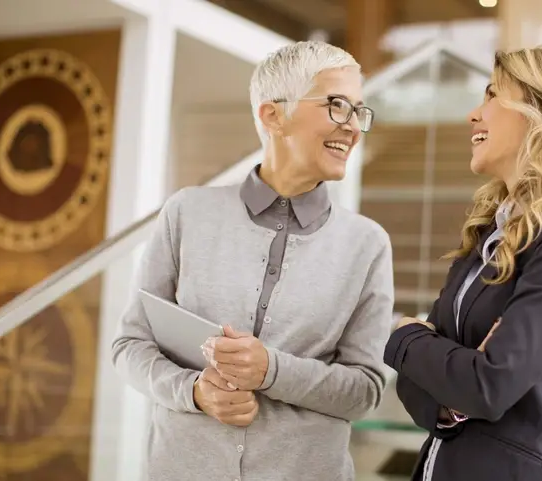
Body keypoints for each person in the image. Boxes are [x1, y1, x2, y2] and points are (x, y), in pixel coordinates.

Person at [111, 41, 394, 481]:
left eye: (360, 111)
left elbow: (364, 391)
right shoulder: (187, 212)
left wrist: (271, 370)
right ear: (272, 114)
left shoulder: (367, 244)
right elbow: (130, 345)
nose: (353, 127)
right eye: (338, 106)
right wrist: (194, 392)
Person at [382, 44, 542, 481]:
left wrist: (404, 339)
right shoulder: (491, 230)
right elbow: (421, 388)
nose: (473, 115)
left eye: (492, 95)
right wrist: (449, 393)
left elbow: (488, 384)